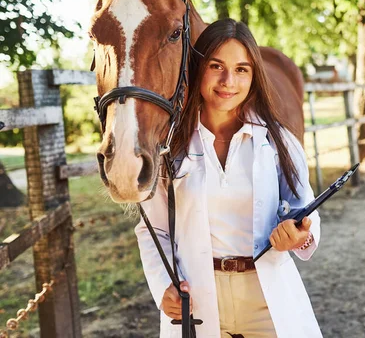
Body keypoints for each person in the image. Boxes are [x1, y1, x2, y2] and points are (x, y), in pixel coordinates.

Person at [135, 18, 322, 338]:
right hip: (197, 300)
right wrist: (162, 284)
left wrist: (299, 234)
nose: (228, 81)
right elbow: (152, 229)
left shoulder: (278, 141)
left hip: (266, 297)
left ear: (253, 76)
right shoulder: (169, 146)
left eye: (241, 69)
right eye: (216, 66)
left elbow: (303, 209)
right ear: (198, 68)